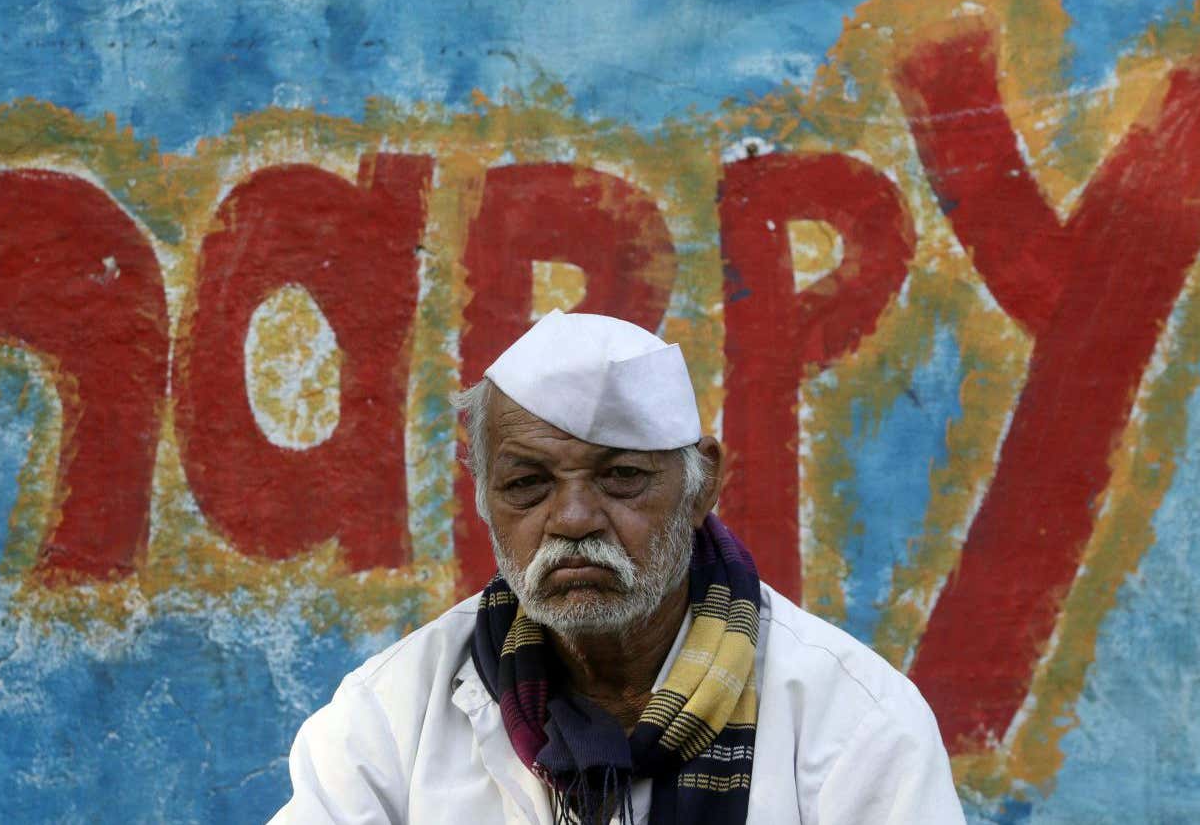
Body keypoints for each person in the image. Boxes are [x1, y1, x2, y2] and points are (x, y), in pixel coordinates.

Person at [269, 310, 965, 824]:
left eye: (622, 477)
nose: (573, 520)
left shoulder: (855, 723)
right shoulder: (388, 719)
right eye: (527, 484)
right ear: (484, 496)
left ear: (700, 486)